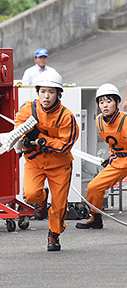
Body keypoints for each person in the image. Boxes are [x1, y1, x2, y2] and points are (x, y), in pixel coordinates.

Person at [14, 70, 79, 251]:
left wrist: (42, 138)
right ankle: (41, 202)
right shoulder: (29, 108)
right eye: (43, 91)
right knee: (30, 194)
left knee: (59, 206)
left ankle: (54, 235)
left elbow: (65, 145)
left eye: (51, 92)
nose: (46, 96)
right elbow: (18, 124)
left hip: (60, 165)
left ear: (59, 93)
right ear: (38, 92)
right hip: (35, 161)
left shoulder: (67, 117)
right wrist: (24, 134)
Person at [76, 84, 127, 229]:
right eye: (101, 102)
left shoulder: (125, 121)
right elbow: (111, 144)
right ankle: (95, 218)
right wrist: (111, 158)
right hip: (117, 162)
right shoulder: (99, 120)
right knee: (94, 187)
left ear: (117, 102)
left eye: (109, 101)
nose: (105, 105)